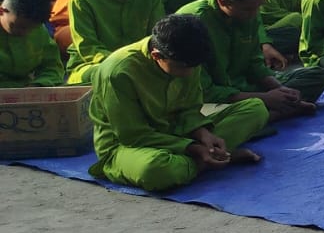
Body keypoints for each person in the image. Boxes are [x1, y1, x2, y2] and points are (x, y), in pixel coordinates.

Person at [88, 14, 271, 192]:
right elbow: (133, 135)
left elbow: (190, 108)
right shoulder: (118, 72)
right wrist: (192, 147)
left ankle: (201, 161)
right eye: (183, 68)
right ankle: (210, 161)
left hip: (177, 131)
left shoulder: (187, 58)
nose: (190, 73)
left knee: (255, 108)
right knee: (155, 170)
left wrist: (203, 133)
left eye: (194, 67)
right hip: (129, 146)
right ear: (156, 55)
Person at [178, 0, 324, 121]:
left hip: (245, 87)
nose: (256, 14)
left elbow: (254, 62)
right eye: (249, 9)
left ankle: (275, 111)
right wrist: (264, 98)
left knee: (316, 76)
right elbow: (202, 91)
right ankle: (271, 114)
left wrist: (281, 90)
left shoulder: (249, 12)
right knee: (240, 113)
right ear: (224, 1)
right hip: (212, 99)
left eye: (259, 7)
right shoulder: (192, 24)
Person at [0, 0, 64, 87]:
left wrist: (40, 84)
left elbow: (52, 66)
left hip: (26, 92)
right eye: (18, 26)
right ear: (2, 10)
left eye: (30, 28)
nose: (24, 32)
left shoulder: (39, 31)